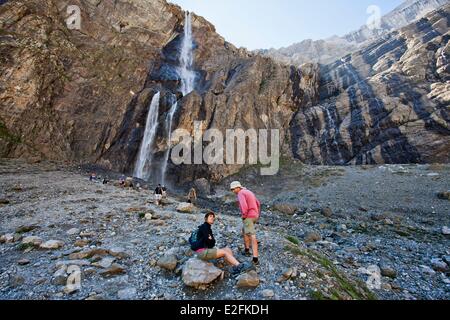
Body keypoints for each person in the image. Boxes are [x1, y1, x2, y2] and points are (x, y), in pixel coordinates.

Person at [230, 181, 261, 266]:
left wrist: (244, 215)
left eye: (233, 189)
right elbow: (258, 203)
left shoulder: (240, 193)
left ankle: (255, 259)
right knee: (244, 230)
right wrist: (257, 213)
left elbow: (244, 206)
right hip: (254, 215)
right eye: (231, 189)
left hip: (248, 216)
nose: (233, 191)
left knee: (252, 235)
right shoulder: (249, 191)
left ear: (238, 187)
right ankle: (247, 250)